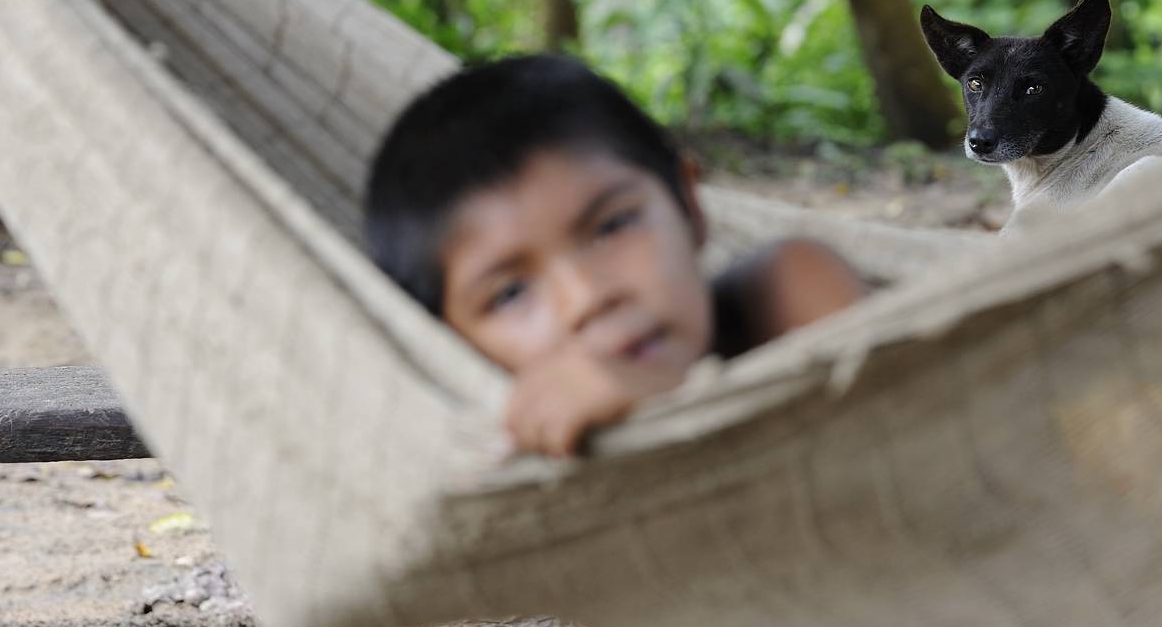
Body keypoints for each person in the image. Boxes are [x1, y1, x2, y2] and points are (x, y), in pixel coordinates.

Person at [364, 54, 866, 457]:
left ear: (689, 207)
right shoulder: (476, 457)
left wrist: (671, 401)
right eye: (511, 293)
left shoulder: (790, 290)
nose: (588, 299)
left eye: (612, 226)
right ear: (445, 341)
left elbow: (887, 442)